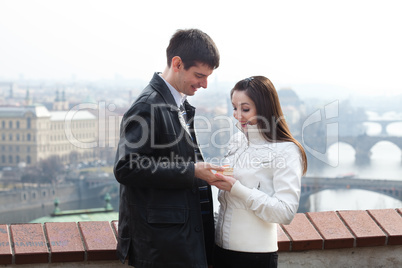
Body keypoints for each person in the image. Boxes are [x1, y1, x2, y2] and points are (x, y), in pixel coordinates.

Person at [113, 29, 223, 268]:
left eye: (207, 77)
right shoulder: (147, 106)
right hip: (162, 247)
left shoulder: (176, 103)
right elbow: (126, 167)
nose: (204, 84)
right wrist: (192, 171)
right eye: (199, 75)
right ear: (177, 63)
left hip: (176, 239)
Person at [211, 76, 308, 268]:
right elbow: (227, 203)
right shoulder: (236, 141)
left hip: (255, 257)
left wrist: (237, 188)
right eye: (234, 108)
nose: (238, 115)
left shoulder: (286, 150)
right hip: (220, 251)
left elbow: (285, 213)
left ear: (265, 109)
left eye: (245, 109)